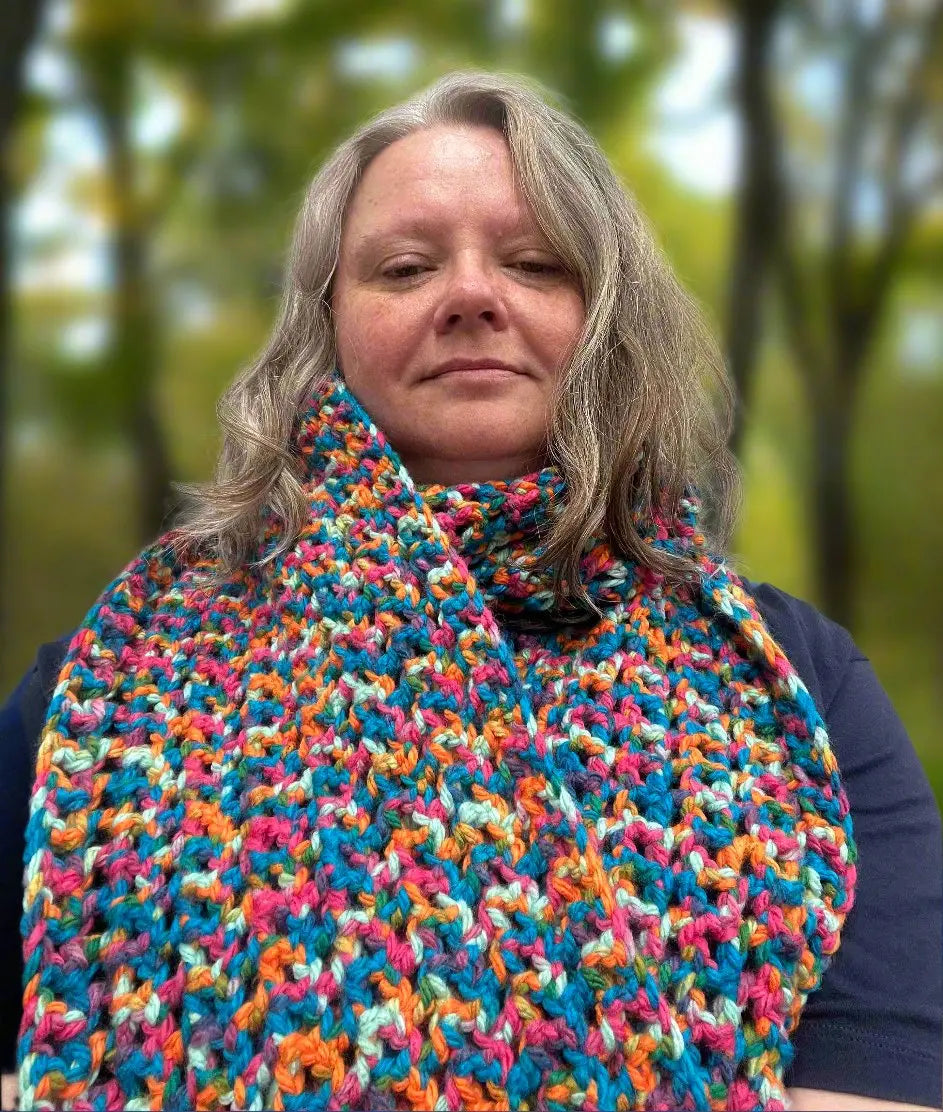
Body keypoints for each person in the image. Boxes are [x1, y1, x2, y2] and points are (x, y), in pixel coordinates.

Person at [2, 70, 939, 1111]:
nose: (470, 295)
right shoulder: (108, 692)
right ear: (326, 327)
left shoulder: (797, 679)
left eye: (534, 263)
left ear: (607, 313)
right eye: (405, 268)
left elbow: (882, 1076)